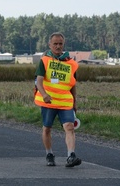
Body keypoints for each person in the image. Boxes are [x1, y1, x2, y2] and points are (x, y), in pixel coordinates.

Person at [34, 32, 81, 167]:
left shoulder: (71, 63)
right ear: (50, 45)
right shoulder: (45, 60)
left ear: (63, 44)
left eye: (60, 44)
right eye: (55, 44)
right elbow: (39, 81)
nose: (58, 46)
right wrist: (44, 95)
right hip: (48, 101)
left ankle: (71, 156)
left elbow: (72, 84)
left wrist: (75, 102)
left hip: (65, 102)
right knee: (47, 128)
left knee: (69, 127)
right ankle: (49, 153)